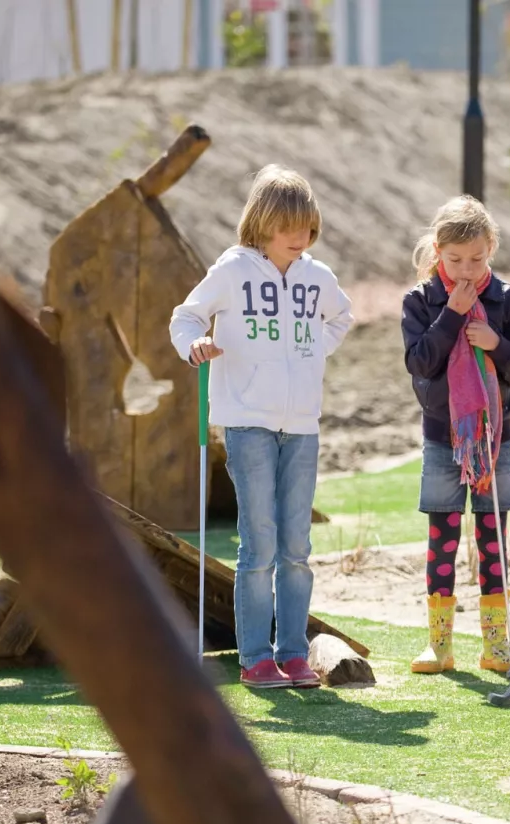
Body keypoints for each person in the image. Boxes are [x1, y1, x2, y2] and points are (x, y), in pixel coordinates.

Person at [169, 165, 353, 689]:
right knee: (260, 545)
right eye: (290, 229)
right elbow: (185, 318)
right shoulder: (231, 271)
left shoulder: (317, 277)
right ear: (262, 223)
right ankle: (255, 658)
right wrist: (195, 345)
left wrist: (314, 349)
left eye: (309, 229)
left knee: (297, 546)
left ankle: (293, 654)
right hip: (247, 424)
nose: (302, 239)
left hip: (302, 427)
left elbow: (341, 318)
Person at [401, 196, 510, 675]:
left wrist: (497, 343)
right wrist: (453, 317)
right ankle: (439, 647)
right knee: (441, 539)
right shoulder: (420, 301)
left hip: (494, 444)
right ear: (438, 251)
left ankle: (497, 646)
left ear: (492, 249)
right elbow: (420, 365)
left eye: (477, 259)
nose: (466, 269)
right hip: (444, 441)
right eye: (455, 259)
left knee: (493, 542)